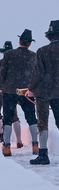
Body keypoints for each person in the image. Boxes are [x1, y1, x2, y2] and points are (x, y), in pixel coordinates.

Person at [0, 29, 38, 156]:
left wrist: (0, 86)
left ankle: (7, 147)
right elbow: (36, 74)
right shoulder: (34, 55)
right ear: (30, 43)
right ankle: (36, 145)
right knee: (31, 117)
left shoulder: (9, 54)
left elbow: (1, 73)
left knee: (8, 118)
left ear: (19, 41)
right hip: (27, 90)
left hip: (9, 90)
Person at [26, 20, 59, 165]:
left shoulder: (42, 51)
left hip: (44, 92)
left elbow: (38, 73)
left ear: (49, 36)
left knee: (42, 122)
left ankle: (43, 155)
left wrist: (31, 89)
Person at [0, 41, 22, 149]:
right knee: (14, 117)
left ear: (3, 52)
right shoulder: (16, 64)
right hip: (11, 93)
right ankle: (19, 141)